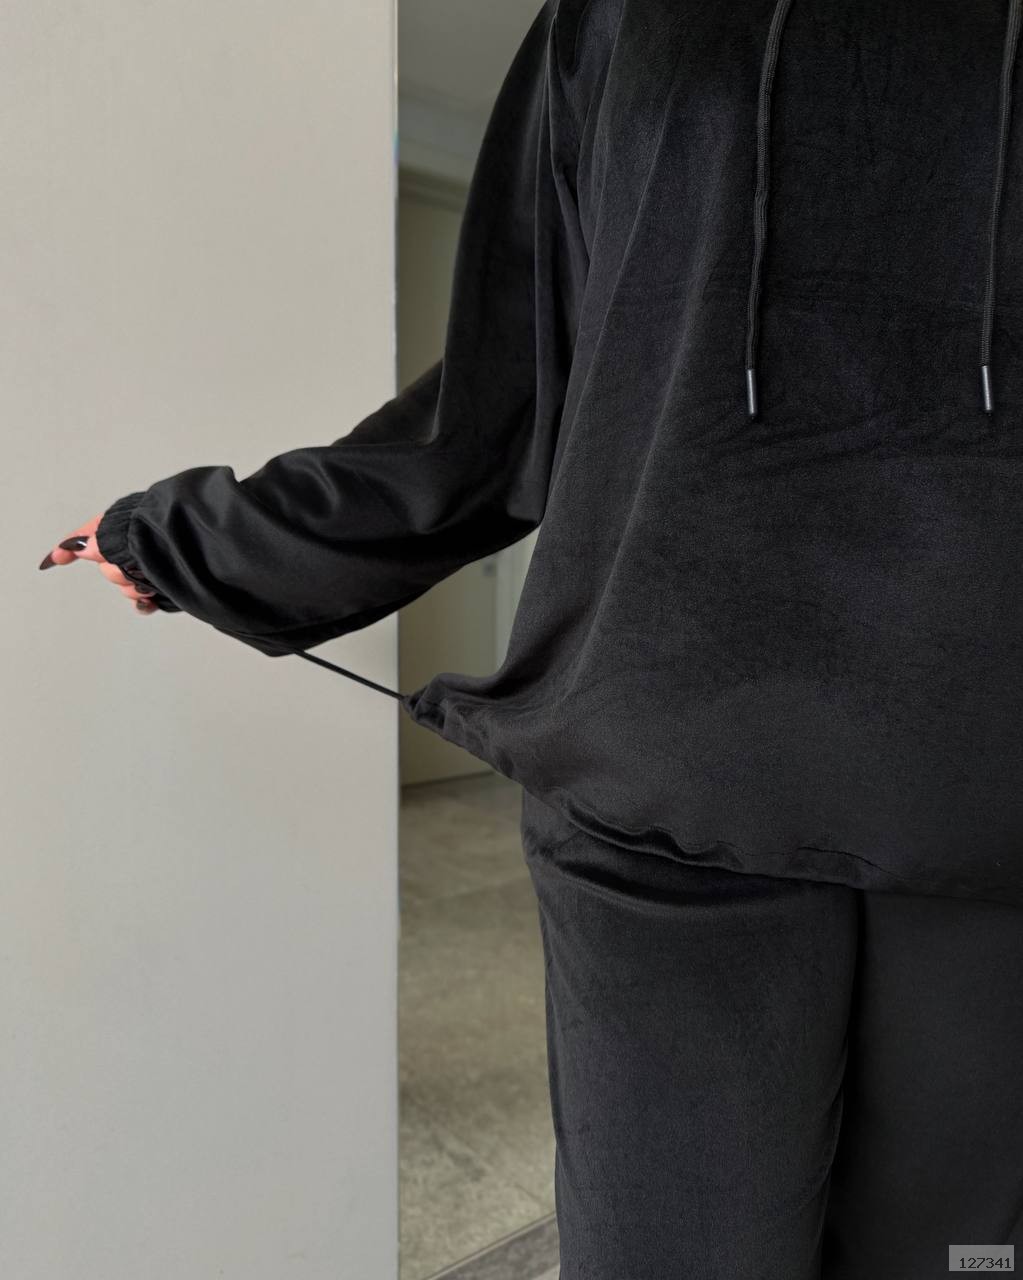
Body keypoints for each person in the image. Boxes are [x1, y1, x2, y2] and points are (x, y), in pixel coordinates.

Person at [40, 0, 1023, 1275]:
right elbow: (499, 405)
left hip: (986, 811)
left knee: (957, 1262)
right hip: (664, 797)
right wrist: (197, 543)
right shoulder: (618, 20)